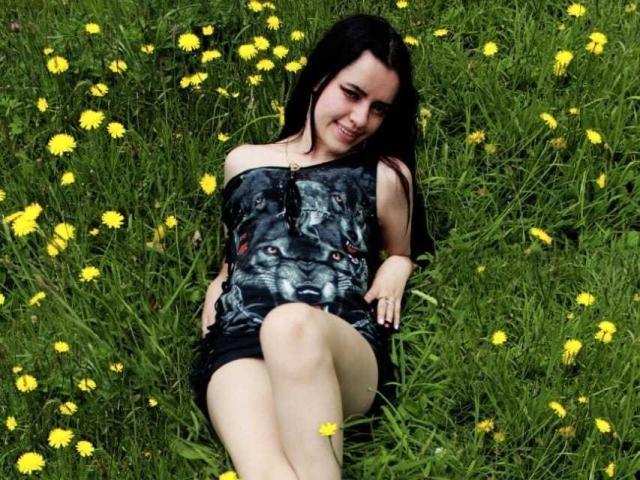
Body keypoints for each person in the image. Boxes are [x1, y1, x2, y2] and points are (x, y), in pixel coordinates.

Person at [189, 13, 432, 480]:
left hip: (334, 342)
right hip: (240, 340)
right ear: (321, 78)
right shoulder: (243, 161)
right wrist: (213, 318)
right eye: (352, 94)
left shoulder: (384, 176)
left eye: (379, 109)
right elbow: (234, 262)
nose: (360, 119)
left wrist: (400, 264)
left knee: (289, 325)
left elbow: (403, 249)